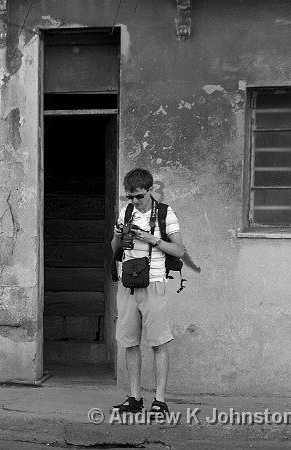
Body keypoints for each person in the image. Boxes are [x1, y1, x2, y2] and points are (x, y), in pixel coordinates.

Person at [110, 168, 185, 415]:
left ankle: (159, 401)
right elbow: (114, 249)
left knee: (158, 343)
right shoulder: (126, 212)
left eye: (139, 196)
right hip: (128, 284)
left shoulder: (165, 213)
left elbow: (178, 251)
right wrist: (120, 236)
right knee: (130, 342)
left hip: (153, 283)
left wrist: (151, 239)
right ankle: (134, 398)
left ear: (150, 190)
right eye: (130, 196)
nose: (134, 201)